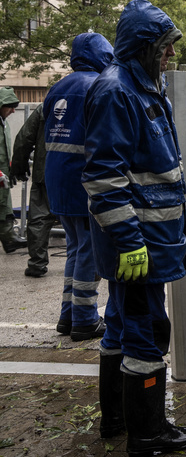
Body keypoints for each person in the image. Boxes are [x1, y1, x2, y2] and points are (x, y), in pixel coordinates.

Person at [83, 0, 186, 457]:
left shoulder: (141, 88)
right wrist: (131, 242)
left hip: (146, 242)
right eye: (164, 47)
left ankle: (117, 420)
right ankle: (149, 434)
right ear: (142, 47)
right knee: (147, 331)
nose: (170, 55)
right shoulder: (119, 92)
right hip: (139, 246)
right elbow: (104, 179)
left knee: (120, 326)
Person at [41, 33, 114, 341]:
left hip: (57, 180)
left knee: (75, 246)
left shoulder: (57, 87)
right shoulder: (98, 86)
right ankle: (84, 317)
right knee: (90, 249)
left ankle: (68, 314)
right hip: (83, 180)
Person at [11, 104, 57, 277]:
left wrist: (19, 167)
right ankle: (86, 264)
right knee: (83, 218)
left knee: (39, 219)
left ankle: (37, 264)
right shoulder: (93, 97)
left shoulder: (46, 106)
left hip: (45, 172)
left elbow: (24, 139)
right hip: (78, 172)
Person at [0, 87, 27, 254]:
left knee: (4, 206)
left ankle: (9, 238)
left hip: (3, 175)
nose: (13, 110)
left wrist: (10, 167)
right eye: (10, 106)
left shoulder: (4, 123)